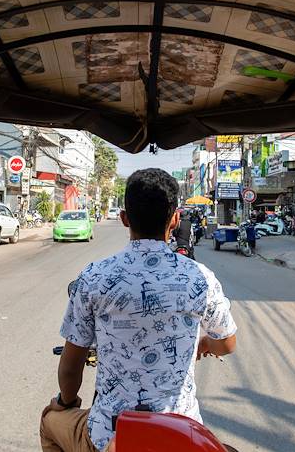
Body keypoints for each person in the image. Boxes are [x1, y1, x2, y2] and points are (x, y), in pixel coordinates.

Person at [40, 168, 237, 452]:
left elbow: (71, 369)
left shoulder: (94, 276)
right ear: (175, 219)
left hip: (109, 436)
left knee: (49, 421)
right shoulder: (200, 276)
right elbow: (227, 343)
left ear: (124, 218)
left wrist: (65, 403)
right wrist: (203, 345)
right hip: (182, 434)